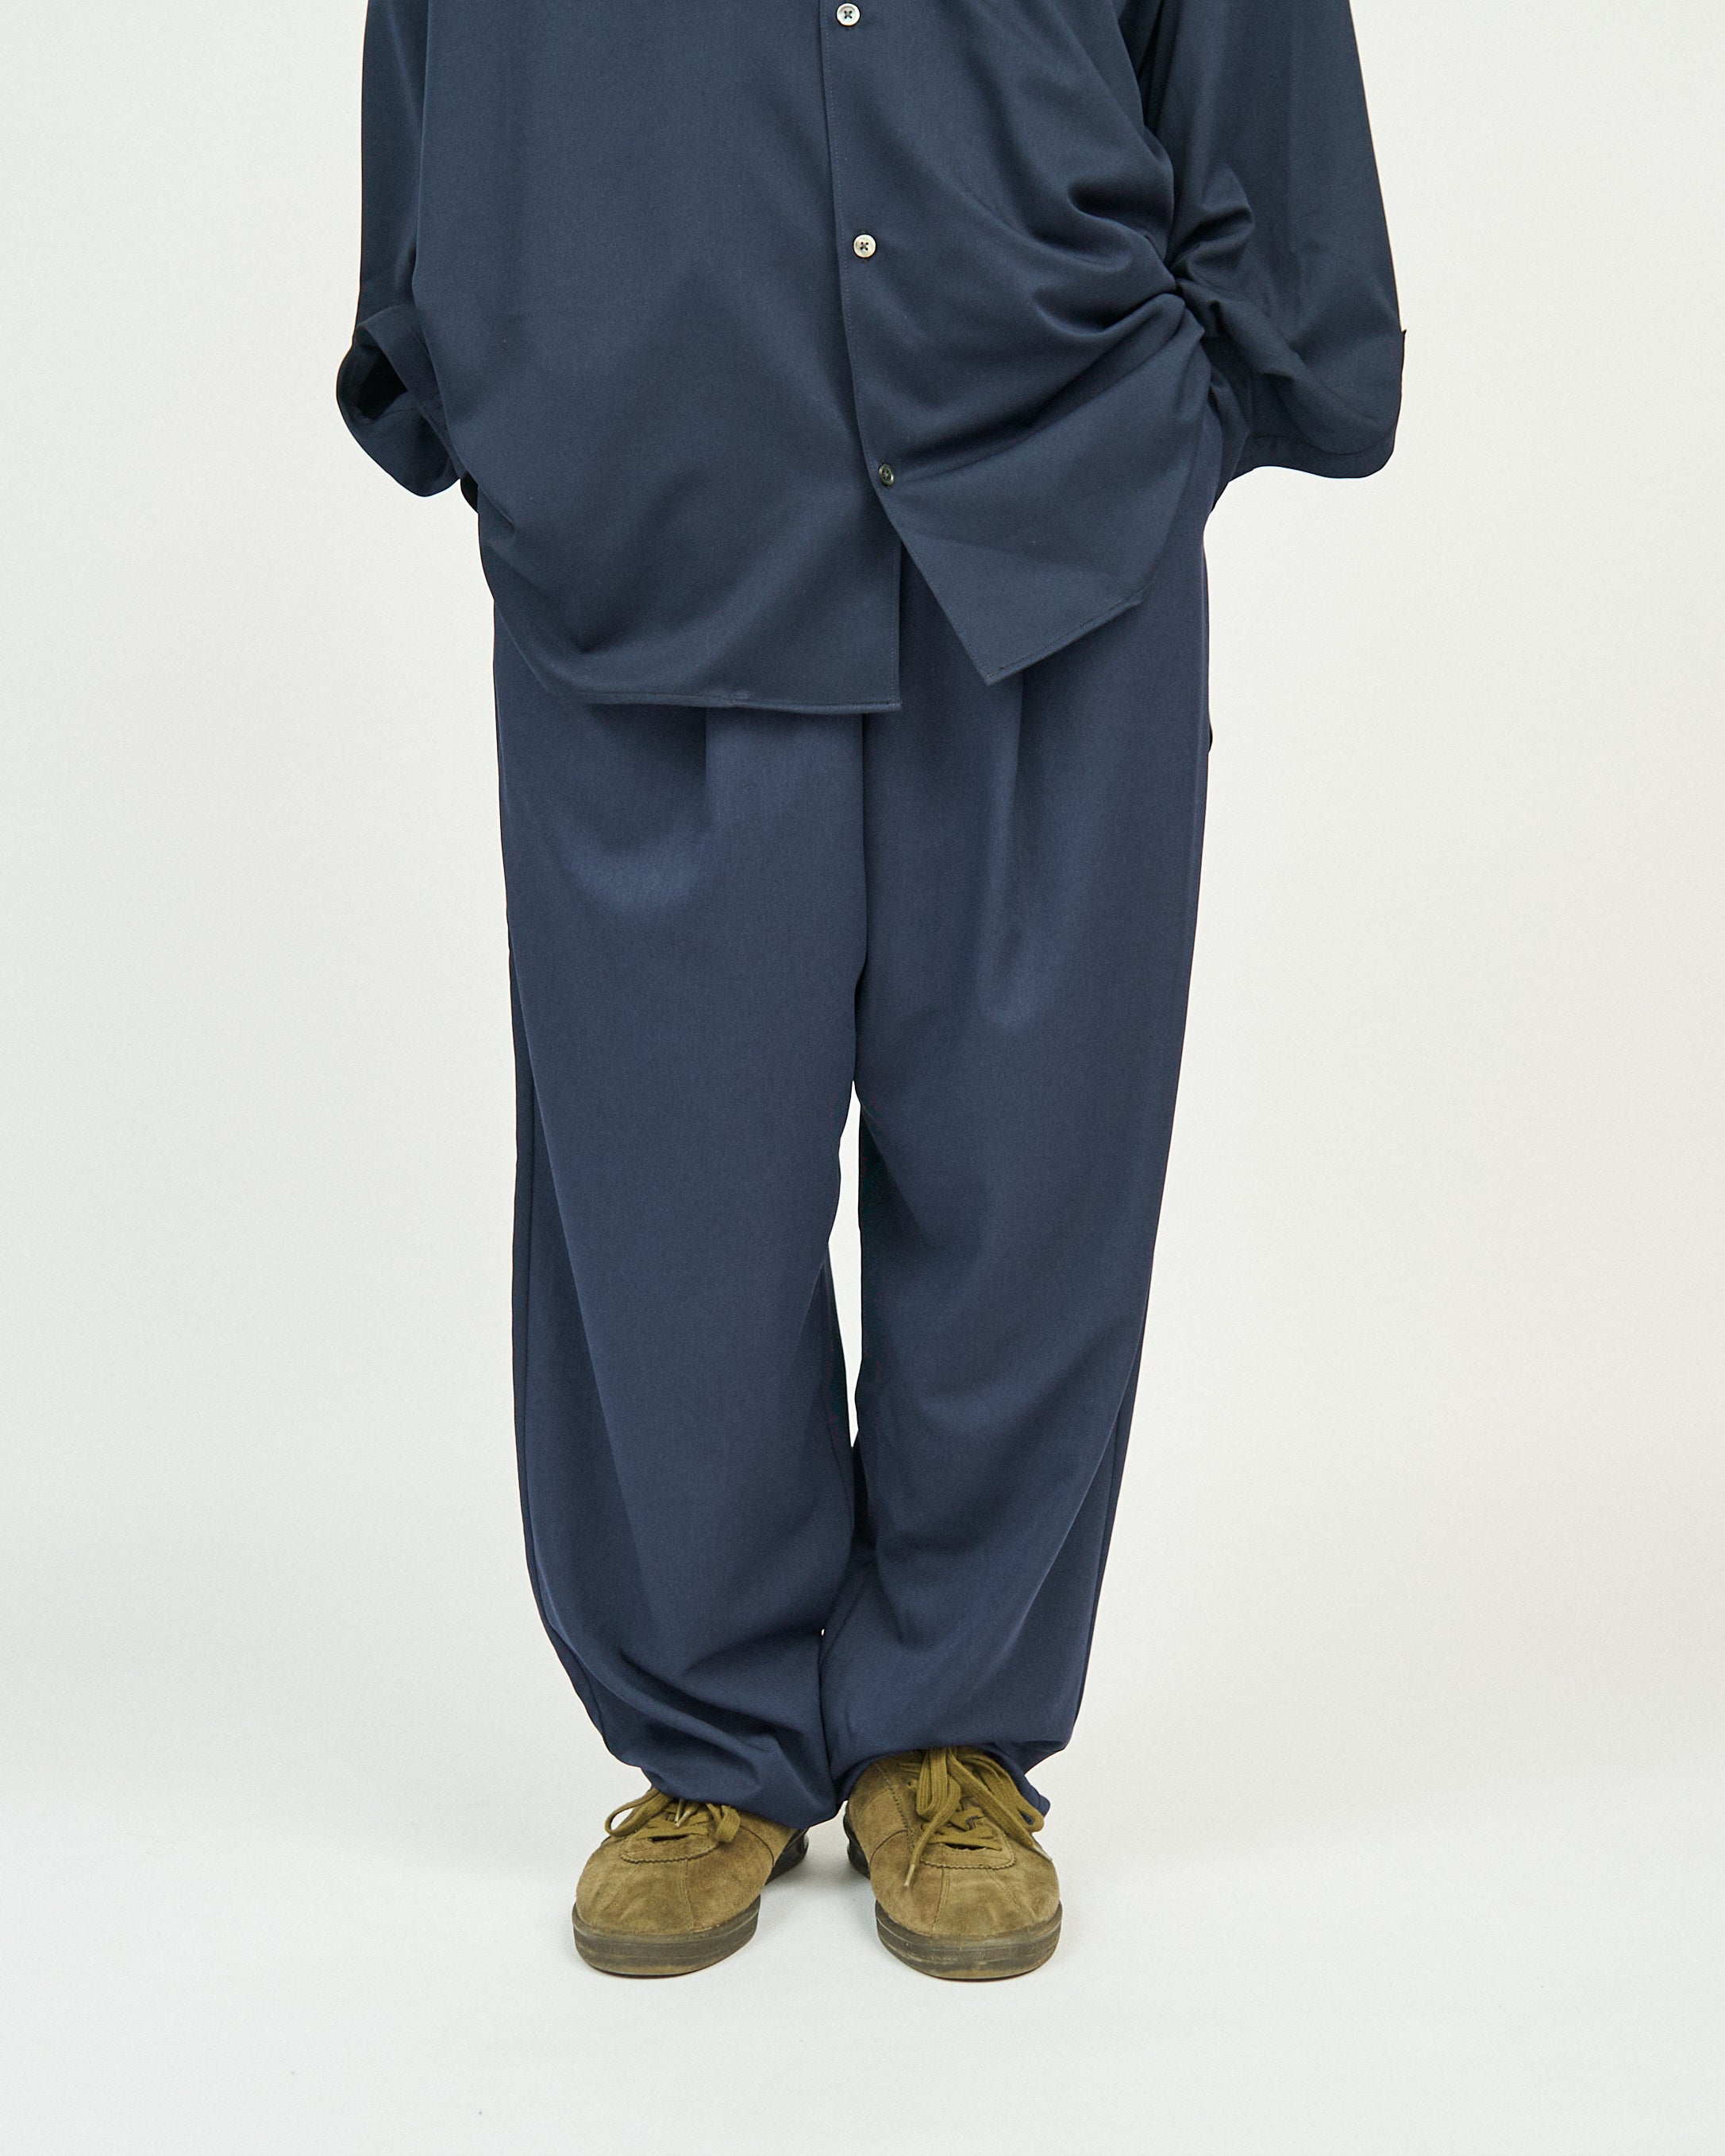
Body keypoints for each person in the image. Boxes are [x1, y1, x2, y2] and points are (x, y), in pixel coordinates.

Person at [337, 0, 1401, 1982]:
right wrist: (486, 366)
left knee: (1035, 1156)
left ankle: (951, 1732)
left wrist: (1199, 394)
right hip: (650, 496)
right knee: (661, 1181)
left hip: (1051, 490)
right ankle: (709, 1738)